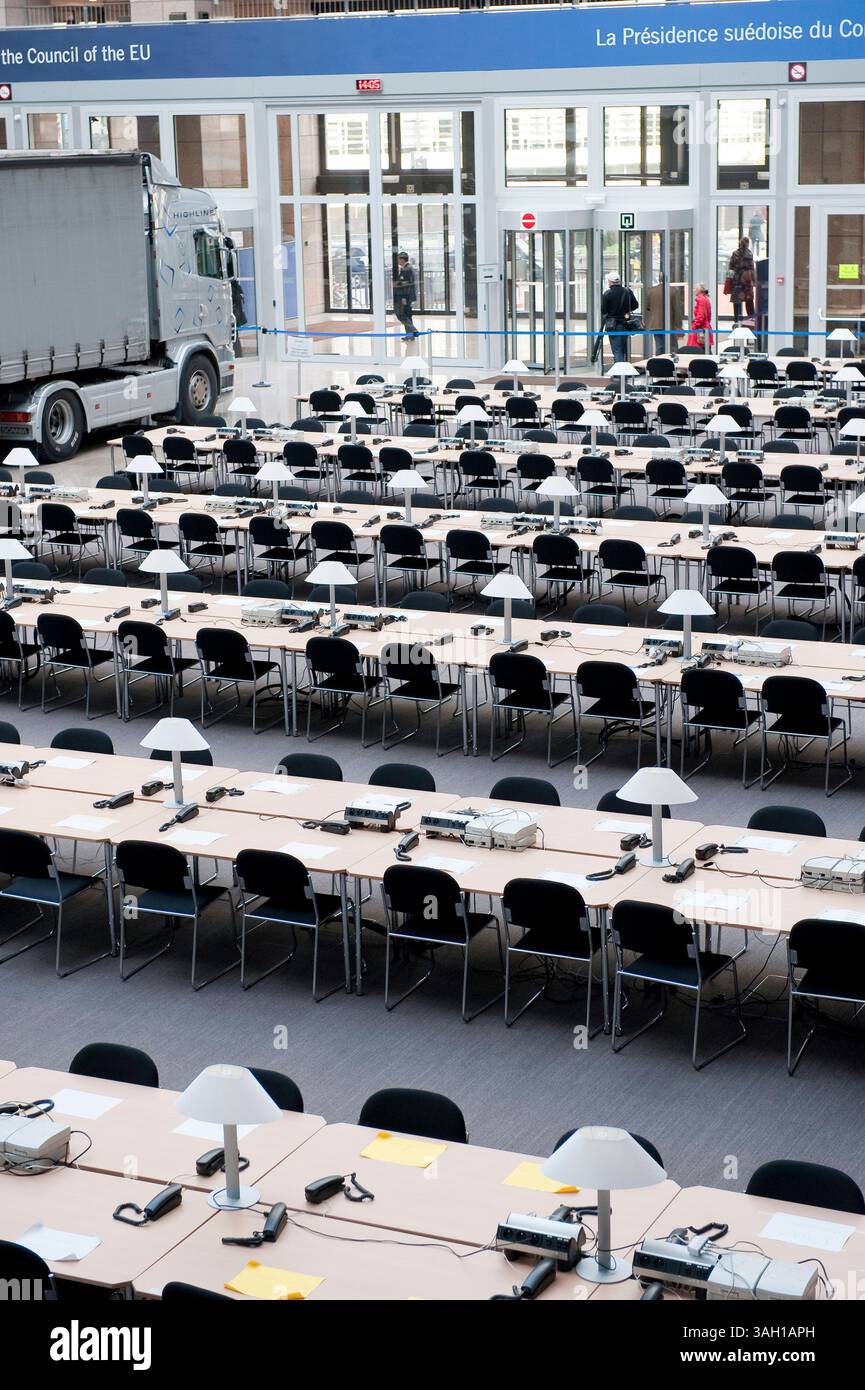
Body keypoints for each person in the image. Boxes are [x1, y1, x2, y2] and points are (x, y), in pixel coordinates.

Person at [600, 273, 638, 363]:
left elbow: (603, 310)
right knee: (624, 348)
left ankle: (620, 374)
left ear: (610, 282)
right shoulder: (627, 291)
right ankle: (625, 371)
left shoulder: (607, 293)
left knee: (617, 350)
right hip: (626, 323)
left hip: (613, 325)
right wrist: (625, 311)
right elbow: (635, 305)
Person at [726, 237, 756, 323]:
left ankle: (736, 321)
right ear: (747, 244)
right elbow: (752, 269)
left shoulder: (735, 254)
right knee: (749, 301)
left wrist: (729, 281)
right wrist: (753, 281)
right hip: (747, 282)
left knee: (737, 302)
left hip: (737, 282)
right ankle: (751, 319)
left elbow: (730, 268)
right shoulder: (750, 254)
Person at [393, 251, 419, 341]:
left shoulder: (406, 269)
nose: (397, 261)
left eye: (398, 259)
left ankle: (413, 330)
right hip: (409, 296)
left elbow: (406, 285)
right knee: (407, 315)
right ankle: (410, 335)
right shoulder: (408, 268)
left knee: (401, 315)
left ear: (402, 259)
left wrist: (404, 298)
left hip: (405, 297)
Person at [644, 274, 668, 356]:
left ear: (659, 279)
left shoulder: (651, 290)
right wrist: (678, 325)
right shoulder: (673, 290)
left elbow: (647, 307)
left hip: (656, 323)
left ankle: (658, 364)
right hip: (669, 323)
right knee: (670, 345)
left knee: (659, 345)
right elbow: (677, 309)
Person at [686, 283, 714, 349]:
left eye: (695, 288)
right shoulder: (706, 299)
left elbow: (700, 316)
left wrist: (693, 326)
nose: (694, 290)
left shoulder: (701, 299)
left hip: (700, 329)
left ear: (700, 290)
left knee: (697, 351)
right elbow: (708, 316)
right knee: (706, 350)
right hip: (705, 328)